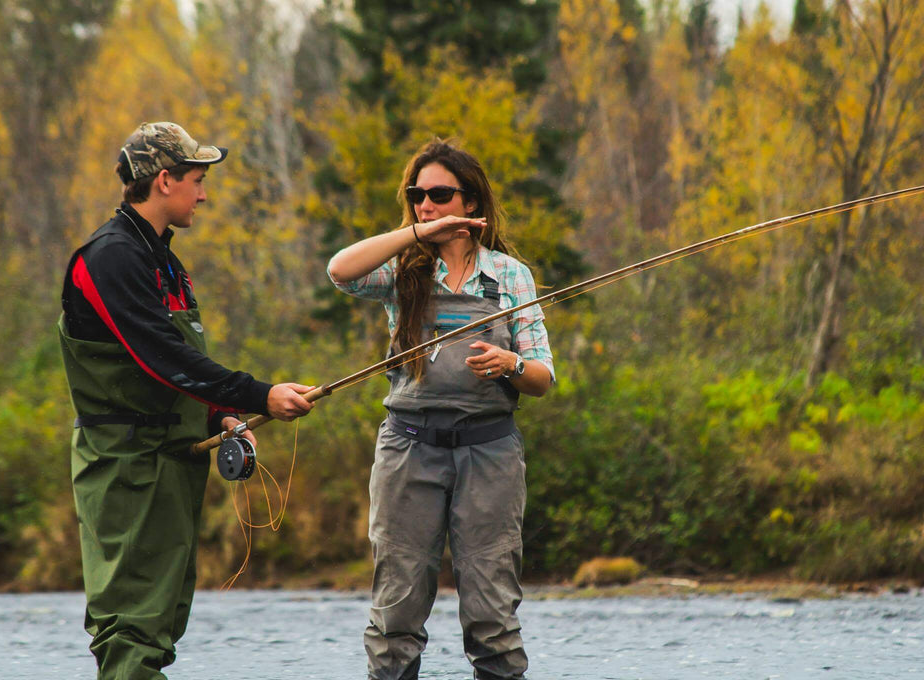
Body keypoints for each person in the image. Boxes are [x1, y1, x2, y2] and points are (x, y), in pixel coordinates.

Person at [58, 121, 314, 680]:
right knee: (133, 625)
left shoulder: (163, 260)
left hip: (169, 461)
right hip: (126, 467)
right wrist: (260, 396)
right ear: (165, 180)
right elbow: (160, 356)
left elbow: (173, 371)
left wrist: (222, 414)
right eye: (197, 180)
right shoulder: (110, 257)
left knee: (162, 618)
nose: (204, 193)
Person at [328, 140, 555, 680]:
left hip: (491, 454)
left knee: (493, 619)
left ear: (470, 202)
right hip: (408, 451)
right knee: (395, 618)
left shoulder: (511, 277)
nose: (425, 204)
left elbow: (545, 376)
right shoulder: (400, 271)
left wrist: (511, 364)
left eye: (438, 195)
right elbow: (340, 271)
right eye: (416, 196)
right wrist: (415, 235)